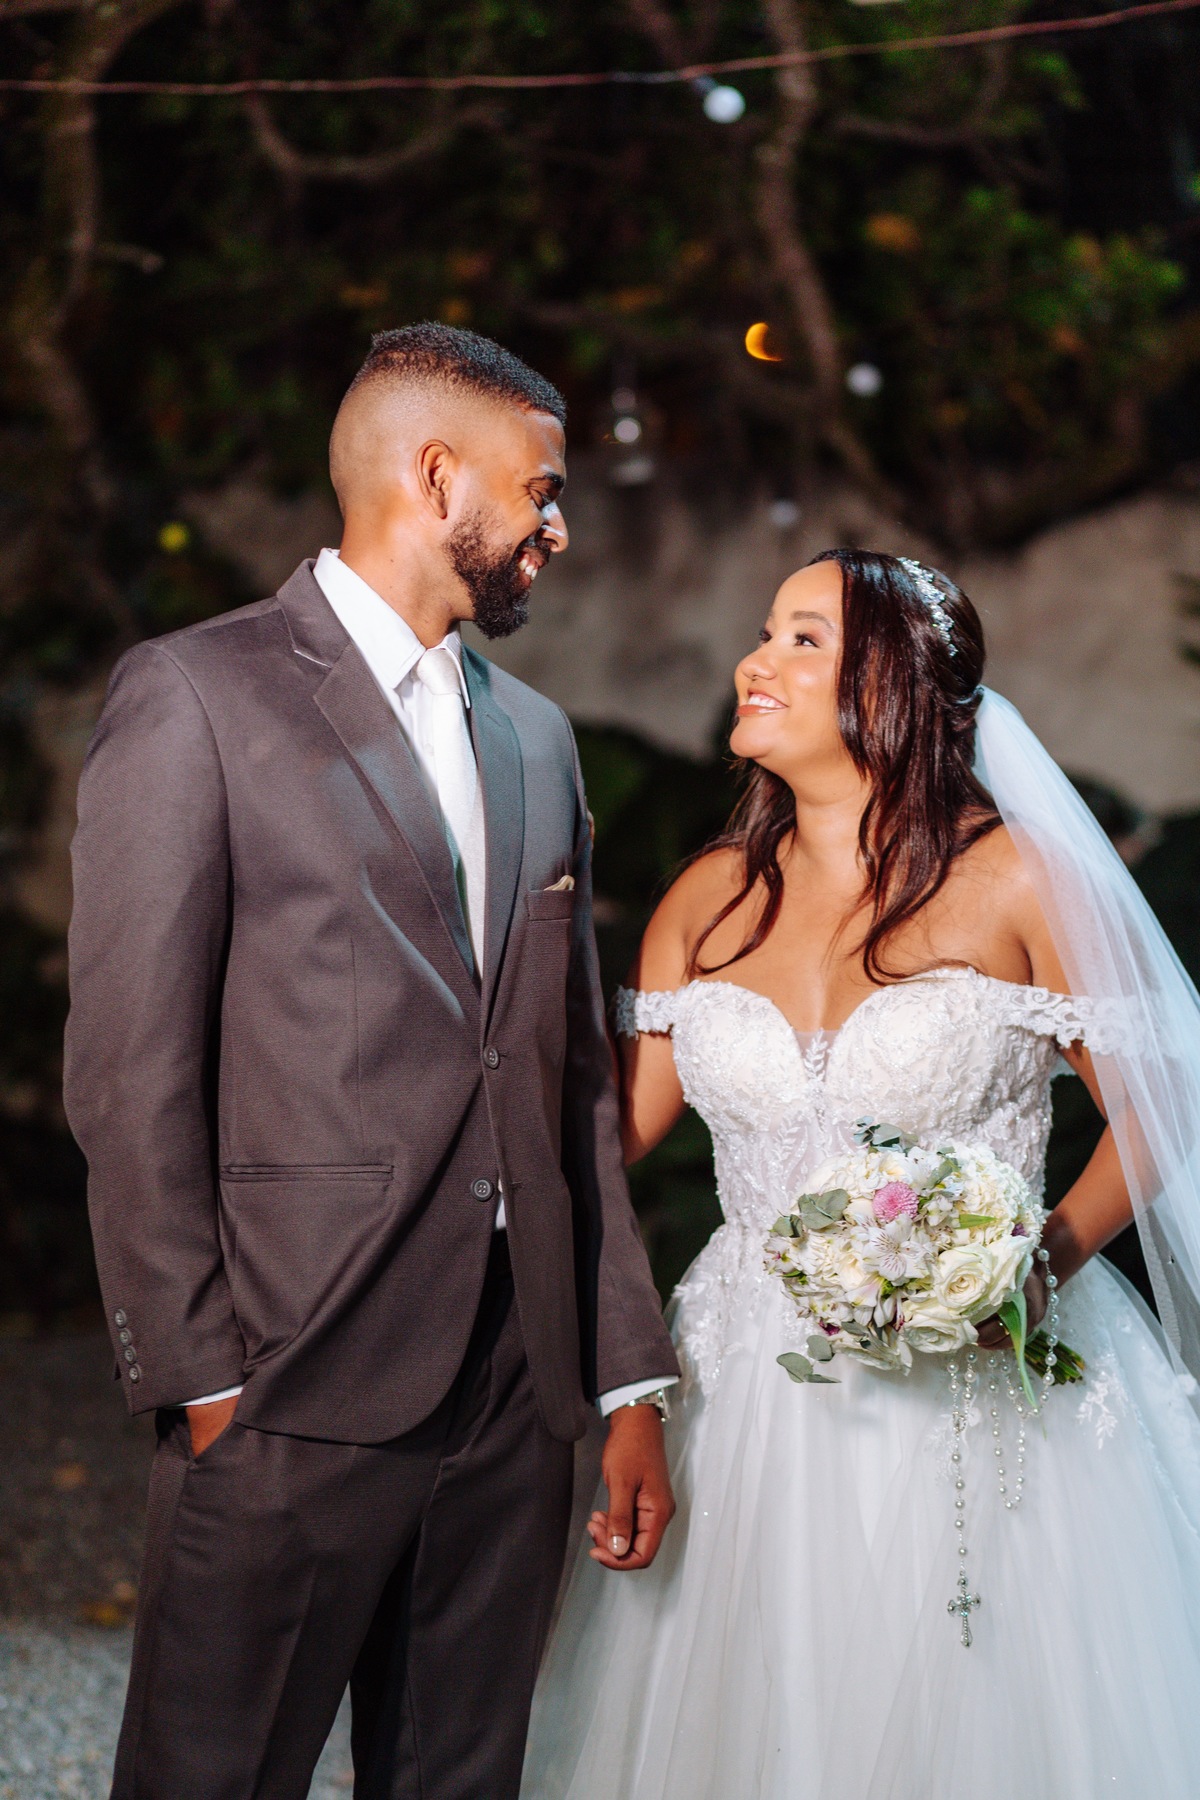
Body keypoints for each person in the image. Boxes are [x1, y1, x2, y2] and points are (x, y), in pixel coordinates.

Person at [64, 323, 679, 1800]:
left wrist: (620, 1374)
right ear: (436, 476)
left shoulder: (538, 739)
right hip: (289, 1372)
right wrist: (201, 1379)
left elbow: (571, 1086)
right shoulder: (196, 696)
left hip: (512, 1394)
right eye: (539, 490)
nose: (556, 528)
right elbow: (131, 1068)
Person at [520, 549, 1200, 1800]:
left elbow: (1158, 1118)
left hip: (985, 1389)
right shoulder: (709, 898)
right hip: (747, 1384)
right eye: (764, 631)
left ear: (892, 685)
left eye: (803, 640)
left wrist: (1035, 1267)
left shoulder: (1019, 880)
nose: (756, 661)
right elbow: (604, 1143)